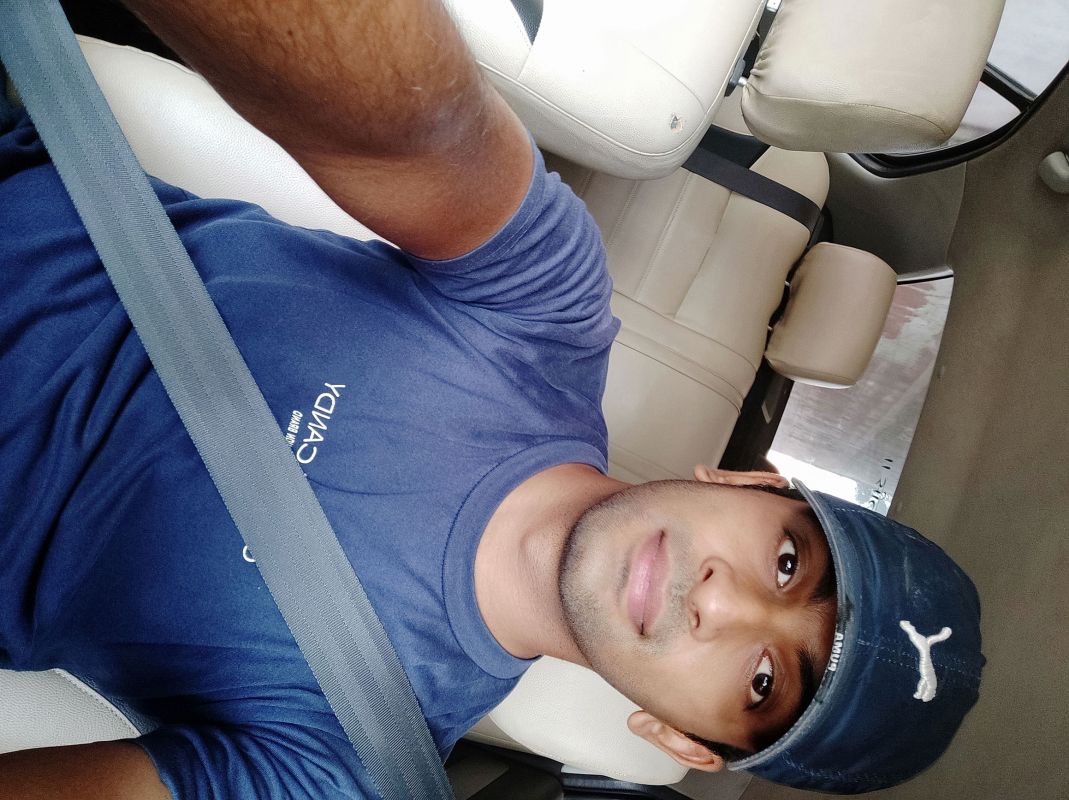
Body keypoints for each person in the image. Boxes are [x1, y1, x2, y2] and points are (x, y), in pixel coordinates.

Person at [0, 1, 984, 798]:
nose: (721, 601)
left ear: (681, 739)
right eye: (787, 561)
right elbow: (413, 124)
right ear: (750, 482)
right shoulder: (546, 313)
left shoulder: (338, 763)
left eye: (763, 681)